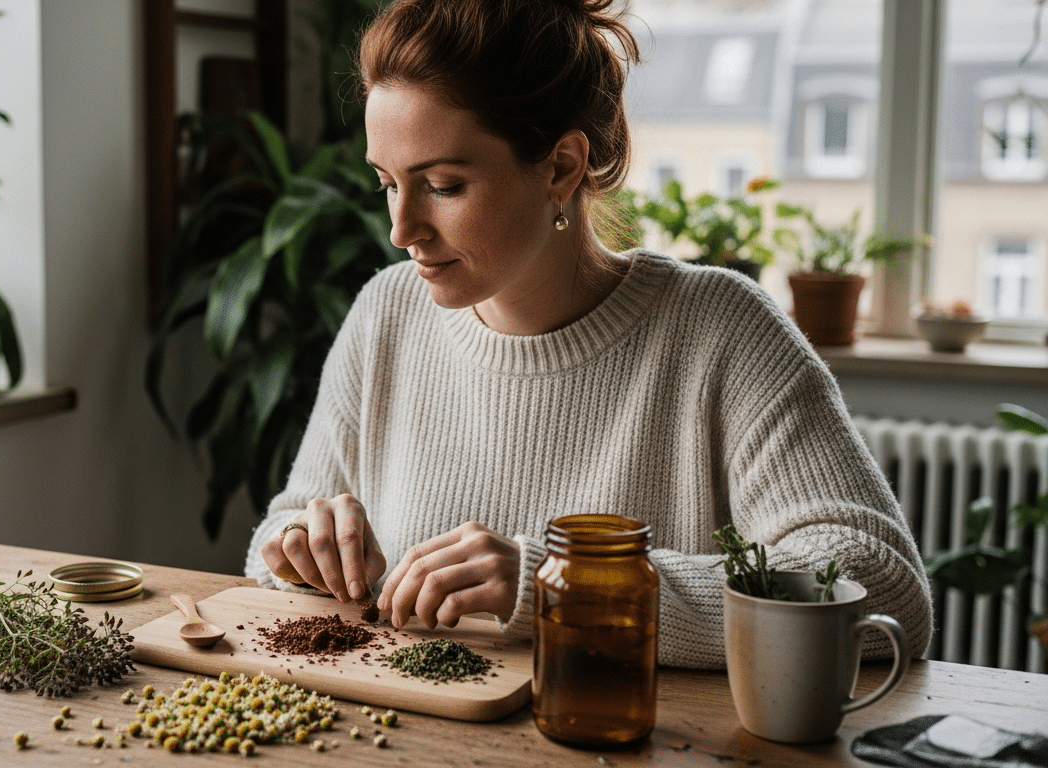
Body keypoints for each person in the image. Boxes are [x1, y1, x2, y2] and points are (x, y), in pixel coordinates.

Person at [244, 0, 932, 669]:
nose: (402, 230)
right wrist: (300, 546)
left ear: (561, 168)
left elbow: (885, 587)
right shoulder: (385, 314)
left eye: (444, 185)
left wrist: (566, 585)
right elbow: (274, 546)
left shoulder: (722, 330)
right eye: (387, 183)